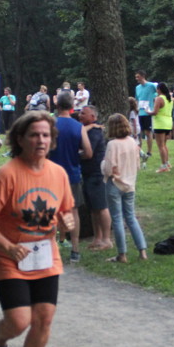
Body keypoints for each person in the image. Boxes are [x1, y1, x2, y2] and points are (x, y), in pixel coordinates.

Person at [0, 111, 76, 347]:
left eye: (46, 135)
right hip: (10, 257)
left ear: (52, 140)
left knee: (43, 319)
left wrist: (67, 223)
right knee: (19, 321)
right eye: (34, 135)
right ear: (20, 139)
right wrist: (7, 246)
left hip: (45, 257)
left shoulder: (58, 174)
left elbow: (65, 213)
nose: (41, 140)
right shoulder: (6, 175)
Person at [48, 92, 92, 263]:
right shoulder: (78, 127)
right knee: (73, 212)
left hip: (51, 174)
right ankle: (75, 249)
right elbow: (88, 152)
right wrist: (76, 156)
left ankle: (51, 248)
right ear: (72, 106)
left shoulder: (50, 125)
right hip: (72, 175)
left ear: (57, 106)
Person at [101, 113, 149, 264]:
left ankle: (122, 254)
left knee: (117, 219)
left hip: (115, 183)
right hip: (130, 184)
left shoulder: (112, 144)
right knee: (131, 217)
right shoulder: (132, 142)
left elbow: (108, 169)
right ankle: (142, 251)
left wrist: (102, 165)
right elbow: (137, 165)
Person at [79, 105, 112, 250]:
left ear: (93, 117)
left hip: (97, 174)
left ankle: (107, 240)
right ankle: (97, 238)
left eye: (83, 113)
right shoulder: (87, 129)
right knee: (93, 208)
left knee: (102, 207)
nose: (80, 115)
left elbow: (88, 153)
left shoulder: (94, 132)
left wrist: (76, 154)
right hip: (87, 174)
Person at [152, 81, 174, 172]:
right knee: (164, 145)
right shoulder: (169, 99)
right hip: (168, 123)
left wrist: (147, 111)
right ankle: (167, 163)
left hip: (160, 123)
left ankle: (164, 166)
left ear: (159, 89)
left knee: (160, 146)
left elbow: (155, 112)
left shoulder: (159, 98)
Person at [134, 70, 157, 159]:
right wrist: (136, 108)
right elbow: (137, 99)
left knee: (148, 132)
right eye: (136, 77)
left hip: (148, 113)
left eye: (138, 77)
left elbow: (159, 92)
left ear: (143, 76)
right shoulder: (137, 88)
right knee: (139, 133)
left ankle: (149, 152)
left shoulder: (151, 85)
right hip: (140, 113)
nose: (137, 79)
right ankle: (139, 151)